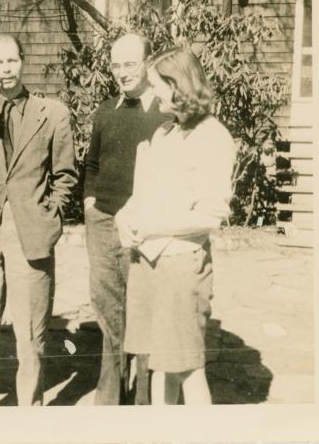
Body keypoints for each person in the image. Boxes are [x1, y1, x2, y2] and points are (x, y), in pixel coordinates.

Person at [0, 33, 78, 406]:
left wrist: (49, 217)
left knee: (31, 334)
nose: (6, 70)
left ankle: (29, 411)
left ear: (22, 62)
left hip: (31, 233)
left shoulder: (52, 112)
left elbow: (66, 176)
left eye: (12, 61)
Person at [115, 47, 236, 405]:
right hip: (147, 263)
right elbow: (141, 196)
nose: (150, 93)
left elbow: (211, 215)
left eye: (155, 85)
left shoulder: (214, 137)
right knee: (157, 362)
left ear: (177, 85)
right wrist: (125, 218)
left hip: (181, 265)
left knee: (187, 367)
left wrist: (151, 227)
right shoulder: (163, 133)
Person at [84, 33, 171, 405]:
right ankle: (110, 401)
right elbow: (91, 163)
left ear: (148, 63)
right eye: (116, 65)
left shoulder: (167, 113)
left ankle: (144, 404)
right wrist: (90, 203)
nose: (122, 72)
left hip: (146, 228)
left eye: (130, 64)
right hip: (103, 222)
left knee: (145, 311)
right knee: (108, 311)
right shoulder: (106, 111)